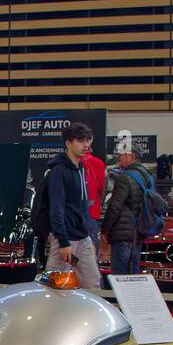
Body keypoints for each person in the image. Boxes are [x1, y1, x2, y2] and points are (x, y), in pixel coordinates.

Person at [39, 122, 101, 288]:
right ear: (68, 143)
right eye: (80, 141)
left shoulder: (80, 167)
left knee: (93, 284)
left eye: (88, 140)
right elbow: (56, 209)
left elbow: (82, 207)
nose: (86, 145)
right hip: (64, 239)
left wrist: (89, 237)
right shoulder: (58, 171)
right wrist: (63, 241)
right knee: (55, 287)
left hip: (83, 238)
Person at [101, 146, 153, 278]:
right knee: (133, 273)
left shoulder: (124, 178)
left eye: (122, 155)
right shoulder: (148, 177)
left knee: (120, 274)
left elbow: (115, 207)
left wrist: (105, 230)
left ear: (132, 156)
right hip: (139, 232)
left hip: (122, 234)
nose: (118, 157)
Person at [82, 149, 106, 241]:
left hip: (70, 217)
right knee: (91, 251)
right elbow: (102, 190)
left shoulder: (65, 164)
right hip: (91, 213)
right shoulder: (97, 163)